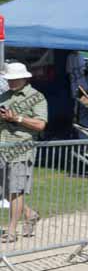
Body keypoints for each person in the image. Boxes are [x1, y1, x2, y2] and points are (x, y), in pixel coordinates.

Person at [0, 62, 47, 243]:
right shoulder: (4, 96)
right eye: (9, 80)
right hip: (3, 147)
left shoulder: (37, 97)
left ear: (25, 78)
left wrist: (16, 118)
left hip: (21, 149)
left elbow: (41, 124)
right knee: (5, 191)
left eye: (14, 80)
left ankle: (12, 231)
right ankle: (30, 214)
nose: (11, 83)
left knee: (16, 191)